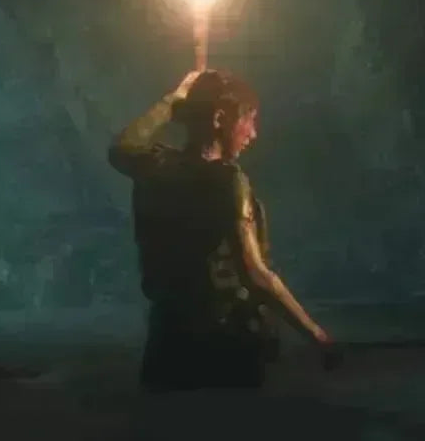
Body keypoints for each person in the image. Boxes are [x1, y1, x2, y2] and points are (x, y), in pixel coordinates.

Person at [109, 69, 339, 392]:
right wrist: (316, 335)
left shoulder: (155, 167)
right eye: (249, 120)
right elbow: (255, 274)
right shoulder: (226, 180)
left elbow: (122, 147)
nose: (253, 133)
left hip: (167, 346)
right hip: (224, 347)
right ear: (220, 119)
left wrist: (173, 100)